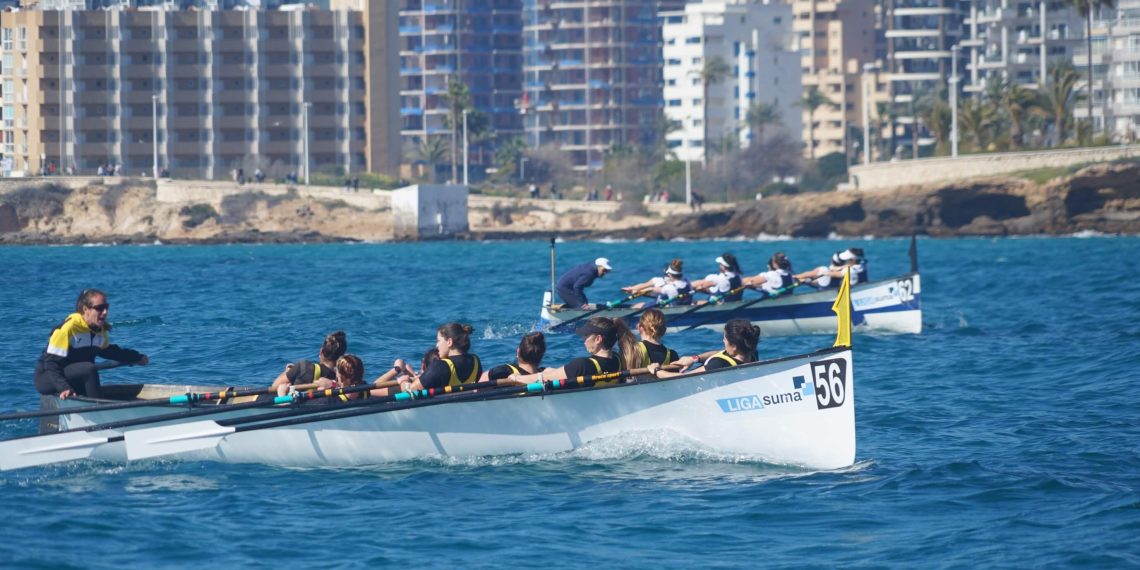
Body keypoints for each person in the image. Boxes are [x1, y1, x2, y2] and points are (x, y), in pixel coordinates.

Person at [33, 289, 150, 399]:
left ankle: (95, 404)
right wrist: (63, 387)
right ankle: (98, 409)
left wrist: (136, 357)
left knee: (87, 369)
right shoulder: (67, 329)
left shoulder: (99, 330)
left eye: (106, 307)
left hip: (75, 376)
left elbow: (109, 351)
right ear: (85, 310)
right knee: (89, 368)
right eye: (100, 308)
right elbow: (51, 364)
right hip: (48, 377)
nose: (105, 312)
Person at [505, 317, 638, 388]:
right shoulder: (619, 359)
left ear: (598, 339)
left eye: (586, 336)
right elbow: (558, 374)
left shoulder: (583, 365)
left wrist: (516, 378)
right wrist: (552, 372)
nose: (583, 340)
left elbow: (542, 379)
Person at [647, 319, 761, 379]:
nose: (723, 341)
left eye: (725, 339)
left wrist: (657, 371)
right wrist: (695, 358)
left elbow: (684, 378)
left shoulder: (718, 364)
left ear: (734, 346)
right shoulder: (751, 353)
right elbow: (720, 353)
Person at [400, 323, 481, 392]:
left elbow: (410, 391)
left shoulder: (440, 366)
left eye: (439, 341)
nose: (437, 345)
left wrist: (403, 381)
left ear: (449, 342)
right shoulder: (475, 361)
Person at [269, 331, 347, 393]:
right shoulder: (345, 377)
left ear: (321, 352)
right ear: (342, 356)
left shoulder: (304, 367)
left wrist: (288, 371)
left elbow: (274, 387)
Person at [622, 259, 693, 309]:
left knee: (636, 306)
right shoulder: (687, 281)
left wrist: (635, 291)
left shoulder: (669, 287)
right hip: (683, 307)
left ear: (669, 275)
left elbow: (652, 289)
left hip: (666, 308)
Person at [480, 332, 546, 382]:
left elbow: (479, 383)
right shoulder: (546, 373)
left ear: (518, 351)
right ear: (542, 356)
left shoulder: (504, 371)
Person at [796, 248, 865, 289]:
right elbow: (845, 267)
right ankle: (799, 279)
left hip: (830, 289)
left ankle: (797, 278)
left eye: (846, 260)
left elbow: (837, 274)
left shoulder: (850, 270)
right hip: (844, 286)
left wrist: (825, 273)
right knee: (821, 273)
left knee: (823, 270)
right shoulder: (862, 263)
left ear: (852, 260)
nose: (844, 261)